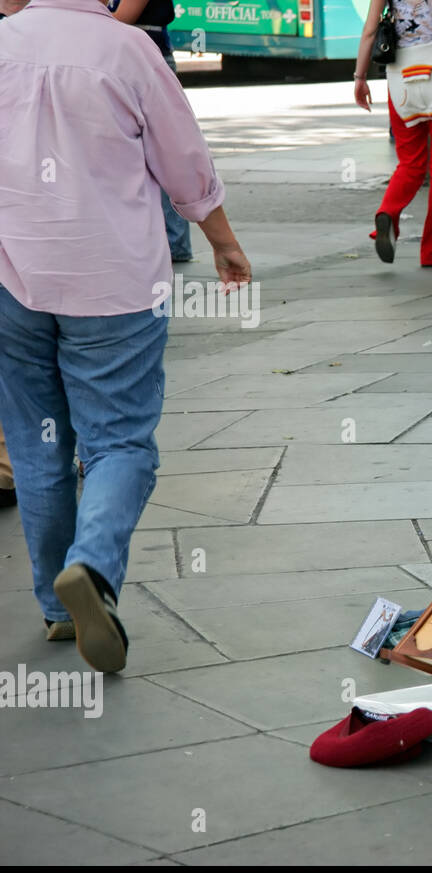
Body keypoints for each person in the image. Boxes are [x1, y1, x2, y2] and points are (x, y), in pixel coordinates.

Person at [0, 0, 251, 669]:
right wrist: (222, 242)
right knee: (119, 443)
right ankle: (91, 566)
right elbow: (184, 161)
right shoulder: (127, 48)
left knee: (35, 447)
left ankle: (58, 610)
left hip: (13, 279)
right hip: (111, 283)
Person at [354, 0, 432, 267]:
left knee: (410, 163)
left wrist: (360, 78)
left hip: (401, 78)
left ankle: (388, 212)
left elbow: (370, 31)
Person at [109, 0, 194, 262]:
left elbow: (122, 17)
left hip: (147, 60)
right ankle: (167, 241)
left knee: (166, 152)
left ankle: (174, 241)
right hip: (128, 59)